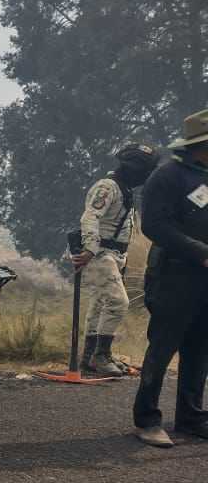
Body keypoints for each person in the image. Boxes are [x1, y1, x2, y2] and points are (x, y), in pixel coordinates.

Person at [131, 109, 208, 448]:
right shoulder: (168, 177)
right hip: (174, 275)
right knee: (162, 348)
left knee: (200, 349)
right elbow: (155, 226)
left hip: (204, 280)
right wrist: (200, 251)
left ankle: (191, 417)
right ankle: (146, 419)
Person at [72, 143, 160, 376]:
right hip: (101, 253)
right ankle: (100, 356)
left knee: (100, 303)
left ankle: (91, 358)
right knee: (118, 302)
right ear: (133, 169)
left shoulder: (123, 188)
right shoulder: (107, 187)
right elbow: (90, 216)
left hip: (114, 255)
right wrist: (90, 248)